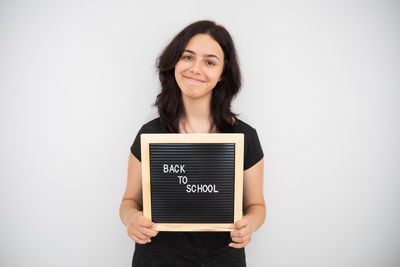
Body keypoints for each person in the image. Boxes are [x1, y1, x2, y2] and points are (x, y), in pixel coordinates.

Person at [119, 20, 265, 267]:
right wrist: (132, 218)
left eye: (209, 62)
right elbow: (128, 202)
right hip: (156, 259)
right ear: (174, 62)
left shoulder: (244, 138)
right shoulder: (150, 135)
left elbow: (256, 205)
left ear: (222, 74)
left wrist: (249, 224)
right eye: (188, 57)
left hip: (222, 259)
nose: (196, 68)